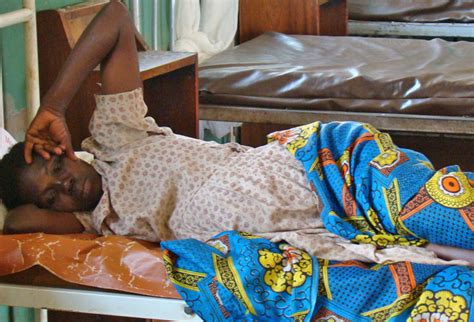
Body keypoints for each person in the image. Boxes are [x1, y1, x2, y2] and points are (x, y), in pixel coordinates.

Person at [0, 1, 472, 265]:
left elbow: (116, 17)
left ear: (63, 149)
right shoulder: (95, 221)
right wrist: (34, 198)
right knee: (426, 271)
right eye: (51, 197)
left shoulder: (114, 138)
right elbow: (15, 224)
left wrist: (54, 105)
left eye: (57, 168)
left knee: (439, 207)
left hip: (318, 174)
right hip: (299, 233)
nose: (65, 186)